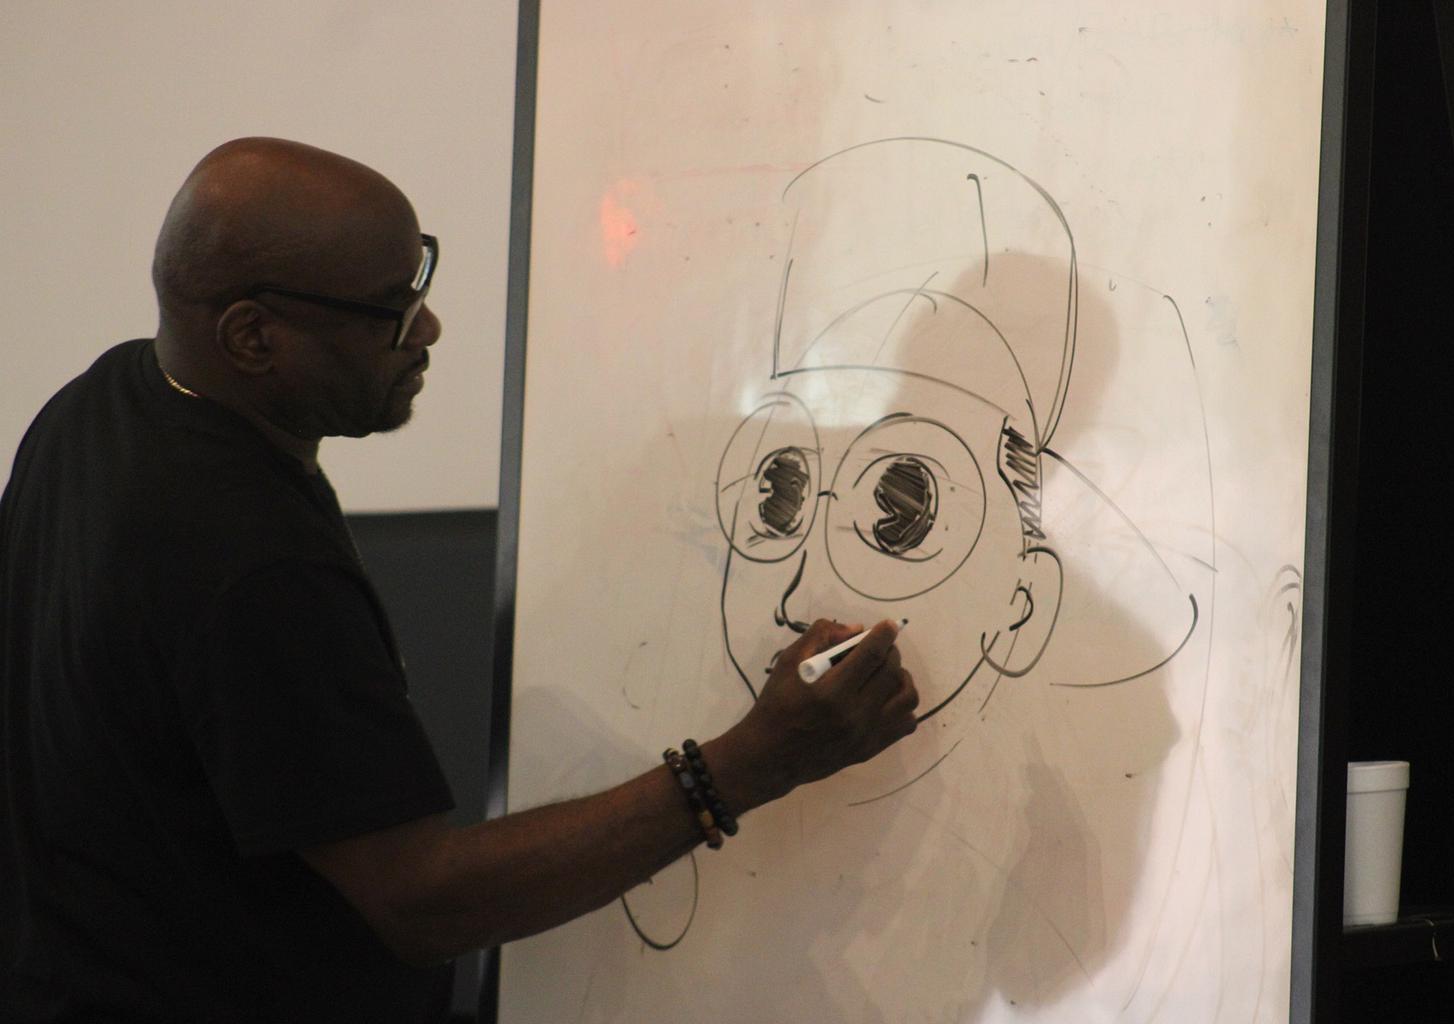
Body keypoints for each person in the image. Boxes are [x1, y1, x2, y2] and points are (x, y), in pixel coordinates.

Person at [0, 138, 920, 1023]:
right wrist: (752, 762)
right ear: (252, 336)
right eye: (391, 312)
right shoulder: (249, 561)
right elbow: (420, 903)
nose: (429, 328)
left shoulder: (96, 406)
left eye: (421, 282)